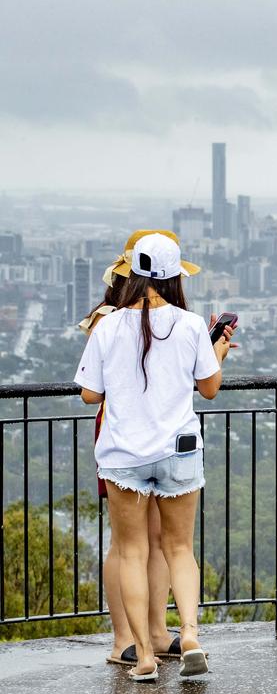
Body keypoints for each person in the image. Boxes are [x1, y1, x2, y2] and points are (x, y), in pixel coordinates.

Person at [75, 232, 233, 681]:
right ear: (173, 276)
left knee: (130, 551)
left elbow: (90, 394)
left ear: (134, 273)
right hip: (178, 451)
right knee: (180, 549)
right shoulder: (187, 324)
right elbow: (209, 387)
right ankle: (190, 635)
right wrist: (217, 349)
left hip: (125, 453)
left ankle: (142, 655)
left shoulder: (108, 325)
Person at [81, 231, 181, 667]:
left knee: (158, 538)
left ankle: (155, 631)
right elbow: (94, 389)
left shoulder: (167, 318)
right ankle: (125, 635)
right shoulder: (110, 319)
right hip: (123, 434)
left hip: (159, 434)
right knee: (126, 542)